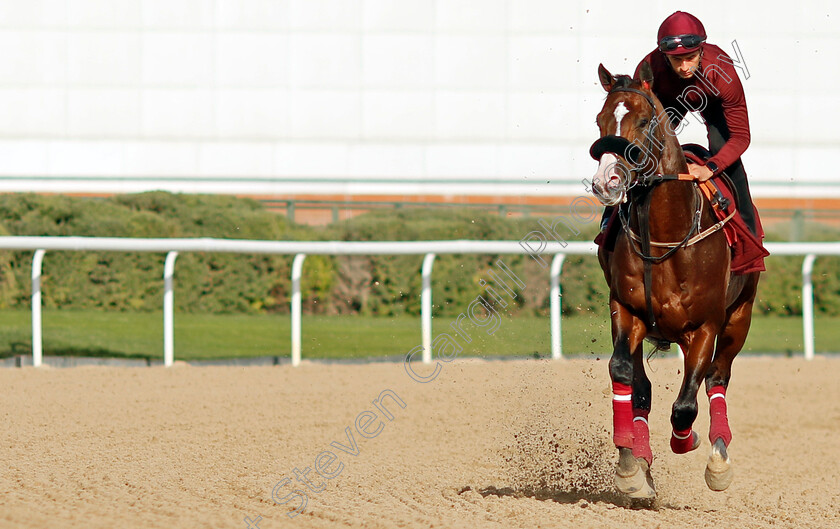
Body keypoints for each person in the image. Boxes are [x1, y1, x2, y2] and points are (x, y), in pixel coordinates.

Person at [601, 11, 758, 235]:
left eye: (690, 58)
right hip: (667, 101)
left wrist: (709, 168)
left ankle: (747, 235)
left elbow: (741, 137)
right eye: (676, 59)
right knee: (640, 149)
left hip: (712, 101)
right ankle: (611, 218)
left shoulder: (724, 73)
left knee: (724, 151)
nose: (684, 67)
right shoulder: (649, 67)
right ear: (664, 56)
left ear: (701, 49)